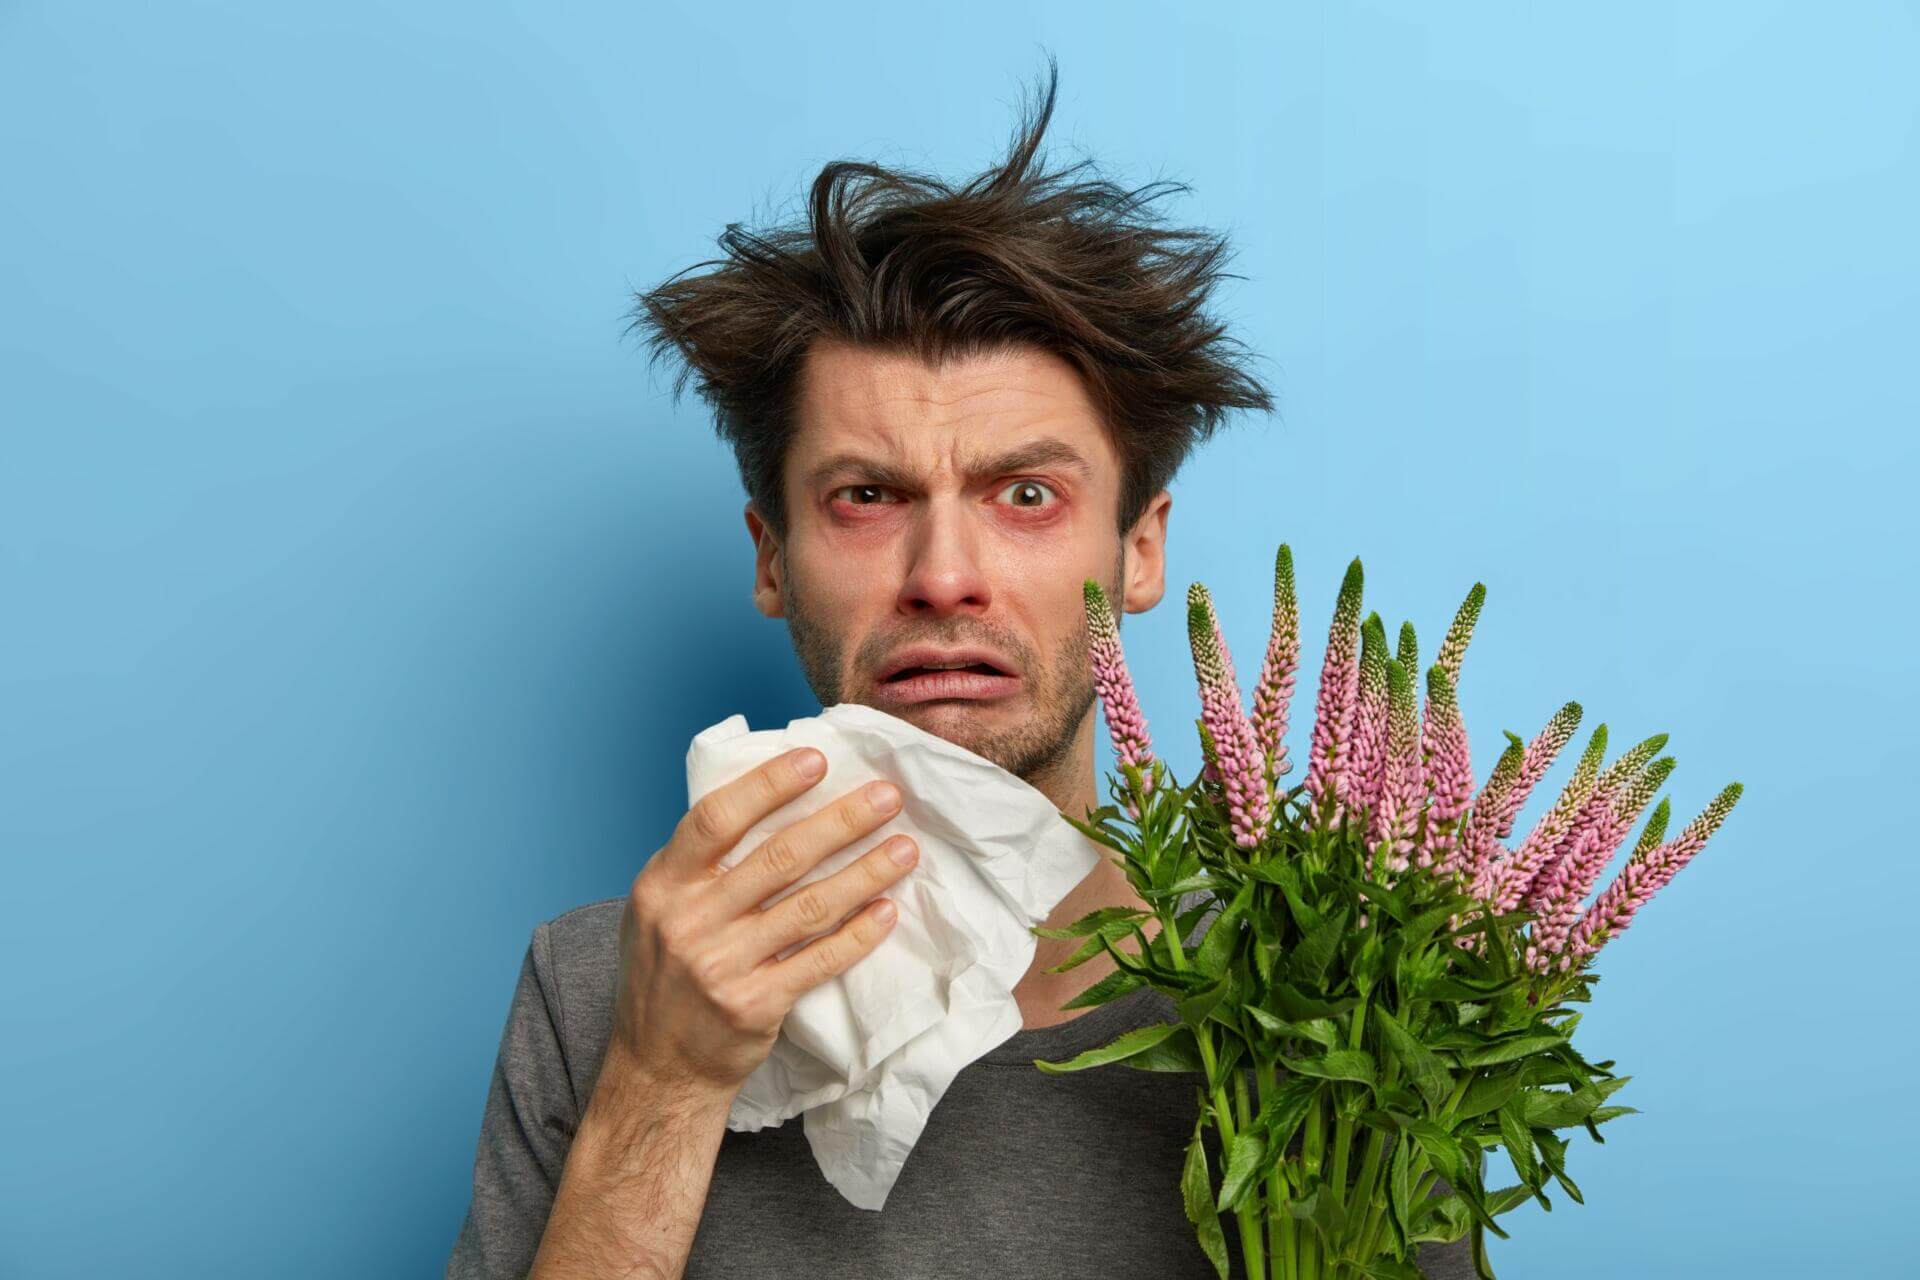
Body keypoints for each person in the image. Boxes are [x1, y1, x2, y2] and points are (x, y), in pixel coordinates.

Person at [444, 58, 1476, 1280]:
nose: (945, 574)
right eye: (867, 496)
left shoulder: (1341, 995)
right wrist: (662, 1083)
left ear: (1139, 548)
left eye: (1026, 494)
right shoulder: (601, 989)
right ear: (773, 558)